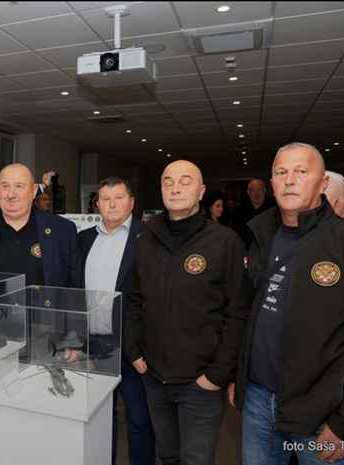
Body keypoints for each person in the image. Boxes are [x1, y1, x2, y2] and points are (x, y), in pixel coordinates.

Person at [232, 142, 344, 465]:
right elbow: (249, 313)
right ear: (272, 183)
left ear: (323, 183)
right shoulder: (261, 235)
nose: (290, 179)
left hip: (324, 413)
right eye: (281, 172)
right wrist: (240, 380)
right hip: (258, 402)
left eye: (301, 171)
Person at [127, 160, 251, 465]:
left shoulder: (225, 242)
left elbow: (238, 312)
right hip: (154, 376)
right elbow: (134, 298)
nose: (175, 188)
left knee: (196, 459)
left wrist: (218, 374)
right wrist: (134, 352)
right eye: (168, 182)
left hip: (200, 383)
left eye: (185, 181)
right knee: (167, 456)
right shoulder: (146, 237)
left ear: (201, 191)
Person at [79, 177, 155, 465]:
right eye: (105, 199)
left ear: (132, 203)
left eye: (119, 198)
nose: (111, 204)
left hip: (133, 347)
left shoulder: (149, 238)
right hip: (93, 345)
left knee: (139, 419)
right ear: (97, 204)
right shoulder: (84, 238)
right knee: (99, 417)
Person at [0, 163, 80, 287]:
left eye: (19, 186)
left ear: (34, 191)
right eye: (5, 186)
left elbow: (73, 288)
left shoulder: (62, 230)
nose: (11, 195)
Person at [233, 178, 276, 245]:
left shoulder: (275, 209)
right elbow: (237, 234)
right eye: (253, 190)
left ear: (264, 190)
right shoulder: (239, 211)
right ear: (248, 192)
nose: (256, 194)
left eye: (259, 190)